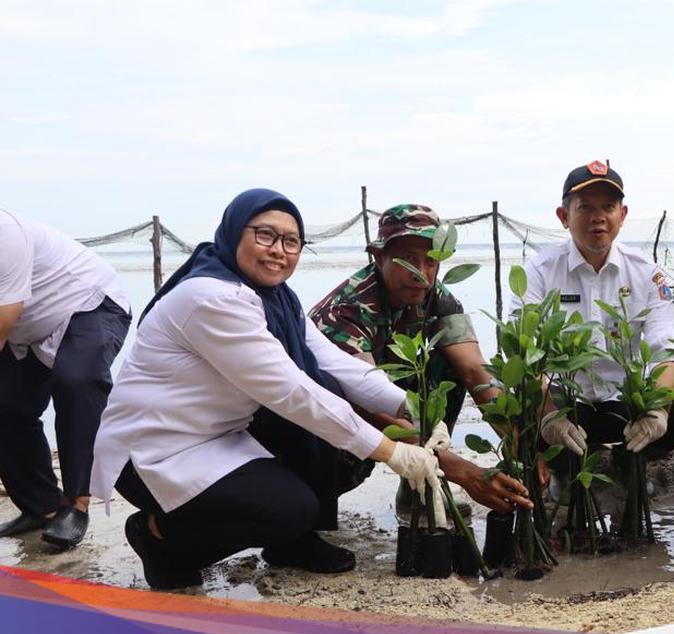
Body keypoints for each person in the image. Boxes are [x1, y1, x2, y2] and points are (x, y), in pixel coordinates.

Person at [90, 189, 448, 590]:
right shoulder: (211, 298)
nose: (279, 250)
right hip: (154, 449)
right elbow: (291, 391)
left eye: (291, 241)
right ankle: (159, 536)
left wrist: (412, 405)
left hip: (218, 435)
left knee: (327, 389)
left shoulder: (278, 299)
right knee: (287, 507)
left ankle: (292, 543)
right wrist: (392, 451)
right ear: (233, 233)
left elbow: (334, 362)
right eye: (265, 235)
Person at [309, 203, 533, 513]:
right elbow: (365, 405)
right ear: (378, 257)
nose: (421, 275)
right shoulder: (345, 312)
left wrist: (519, 442)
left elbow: (474, 371)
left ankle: (421, 489)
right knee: (341, 462)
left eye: (430, 262)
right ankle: (302, 514)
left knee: (450, 367)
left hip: (392, 402)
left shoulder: (436, 297)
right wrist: (462, 471)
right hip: (336, 426)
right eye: (408, 260)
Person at [518, 160, 674, 465]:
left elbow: (667, 347)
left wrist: (657, 411)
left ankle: (630, 465)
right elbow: (523, 351)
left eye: (608, 207)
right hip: (568, 400)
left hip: (623, 399)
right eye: (585, 208)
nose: (598, 218)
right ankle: (564, 472)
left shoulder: (646, 273)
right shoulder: (538, 271)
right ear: (564, 216)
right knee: (523, 411)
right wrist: (548, 417)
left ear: (622, 215)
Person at [0, 208, 131, 549]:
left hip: (89, 304)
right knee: (7, 404)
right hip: (28, 328)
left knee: (75, 381)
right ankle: (41, 506)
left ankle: (77, 503)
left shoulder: (5, 233)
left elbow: (3, 320)